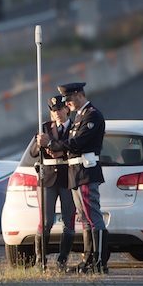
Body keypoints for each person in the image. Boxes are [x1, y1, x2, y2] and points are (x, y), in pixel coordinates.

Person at [39, 82, 109, 274]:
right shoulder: (80, 116)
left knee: (93, 217)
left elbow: (78, 142)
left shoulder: (92, 115)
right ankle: (88, 259)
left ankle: (100, 261)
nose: (67, 104)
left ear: (79, 95)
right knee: (85, 219)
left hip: (86, 170)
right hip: (76, 171)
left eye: (68, 100)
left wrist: (52, 144)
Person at [30, 95, 77, 271]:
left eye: (60, 109)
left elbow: (74, 146)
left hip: (67, 178)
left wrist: (53, 144)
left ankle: (62, 259)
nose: (57, 113)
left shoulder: (75, 127)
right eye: (53, 110)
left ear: (67, 109)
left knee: (68, 220)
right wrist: (39, 143)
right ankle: (40, 260)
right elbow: (34, 153)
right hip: (47, 179)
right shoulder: (44, 128)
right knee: (46, 221)